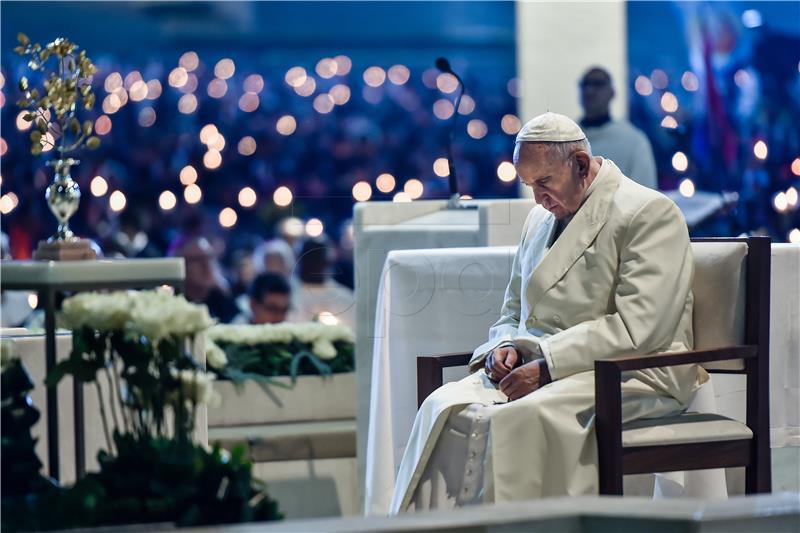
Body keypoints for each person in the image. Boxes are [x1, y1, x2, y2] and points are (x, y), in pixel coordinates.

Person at [390, 112, 707, 513]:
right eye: (529, 185)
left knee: (520, 418)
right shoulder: (540, 219)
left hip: (630, 371)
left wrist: (547, 365)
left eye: (544, 182)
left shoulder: (648, 212)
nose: (537, 198)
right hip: (548, 366)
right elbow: (512, 311)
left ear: (579, 164)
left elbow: (638, 328)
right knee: (442, 407)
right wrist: (502, 348)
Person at [579, 67, 658, 190]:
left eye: (598, 84)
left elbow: (645, 195)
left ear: (612, 93)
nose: (590, 91)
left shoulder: (634, 141)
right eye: (586, 84)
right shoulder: (567, 140)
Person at [292, 236, 356, 328]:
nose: (313, 264)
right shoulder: (286, 295)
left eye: (317, 258)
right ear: (299, 260)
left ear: (328, 261)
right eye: (309, 258)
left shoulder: (345, 298)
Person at [171, 237, 239, 323]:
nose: (206, 265)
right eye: (198, 260)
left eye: (210, 258)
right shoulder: (172, 303)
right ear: (181, 265)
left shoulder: (220, 298)